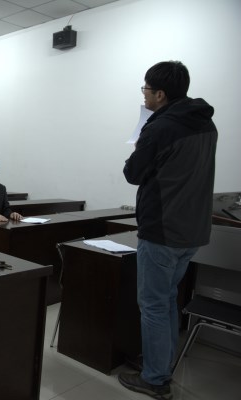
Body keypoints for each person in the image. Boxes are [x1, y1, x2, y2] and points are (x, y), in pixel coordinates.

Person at [118, 61, 218, 400]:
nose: (143, 95)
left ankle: (156, 379)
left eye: (145, 89)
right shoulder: (206, 123)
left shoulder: (160, 127)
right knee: (168, 299)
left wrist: (141, 142)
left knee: (153, 305)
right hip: (193, 230)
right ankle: (160, 363)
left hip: (162, 229)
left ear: (160, 94)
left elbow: (133, 173)